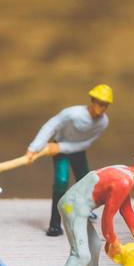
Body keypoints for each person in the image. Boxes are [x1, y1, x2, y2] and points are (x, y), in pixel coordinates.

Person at [26, 85, 114, 236]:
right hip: (60, 151)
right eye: (99, 103)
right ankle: (55, 223)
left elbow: (86, 143)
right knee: (61, 181)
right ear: (92, 101)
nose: (102, 108)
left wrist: (61, 147)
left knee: (87, 181)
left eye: (105, 105)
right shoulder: (71, 114)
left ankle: (85, 210)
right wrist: (35, 147)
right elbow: (50, 126)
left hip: (73, 150)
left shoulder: (103, 122)